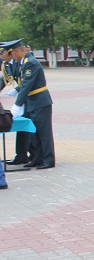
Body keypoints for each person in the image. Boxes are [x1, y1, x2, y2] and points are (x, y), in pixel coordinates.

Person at [7, 40, 55, 169]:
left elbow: (27, 85)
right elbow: (24, 84)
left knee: (44, 132)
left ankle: (49, 160)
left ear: (17, 51)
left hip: (40, 101)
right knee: (35, 132)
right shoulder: (24, 63)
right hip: (33, 101)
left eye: (12, 54)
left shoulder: (31, 63)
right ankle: (38, 158)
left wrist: (17, 104)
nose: (12, 57)